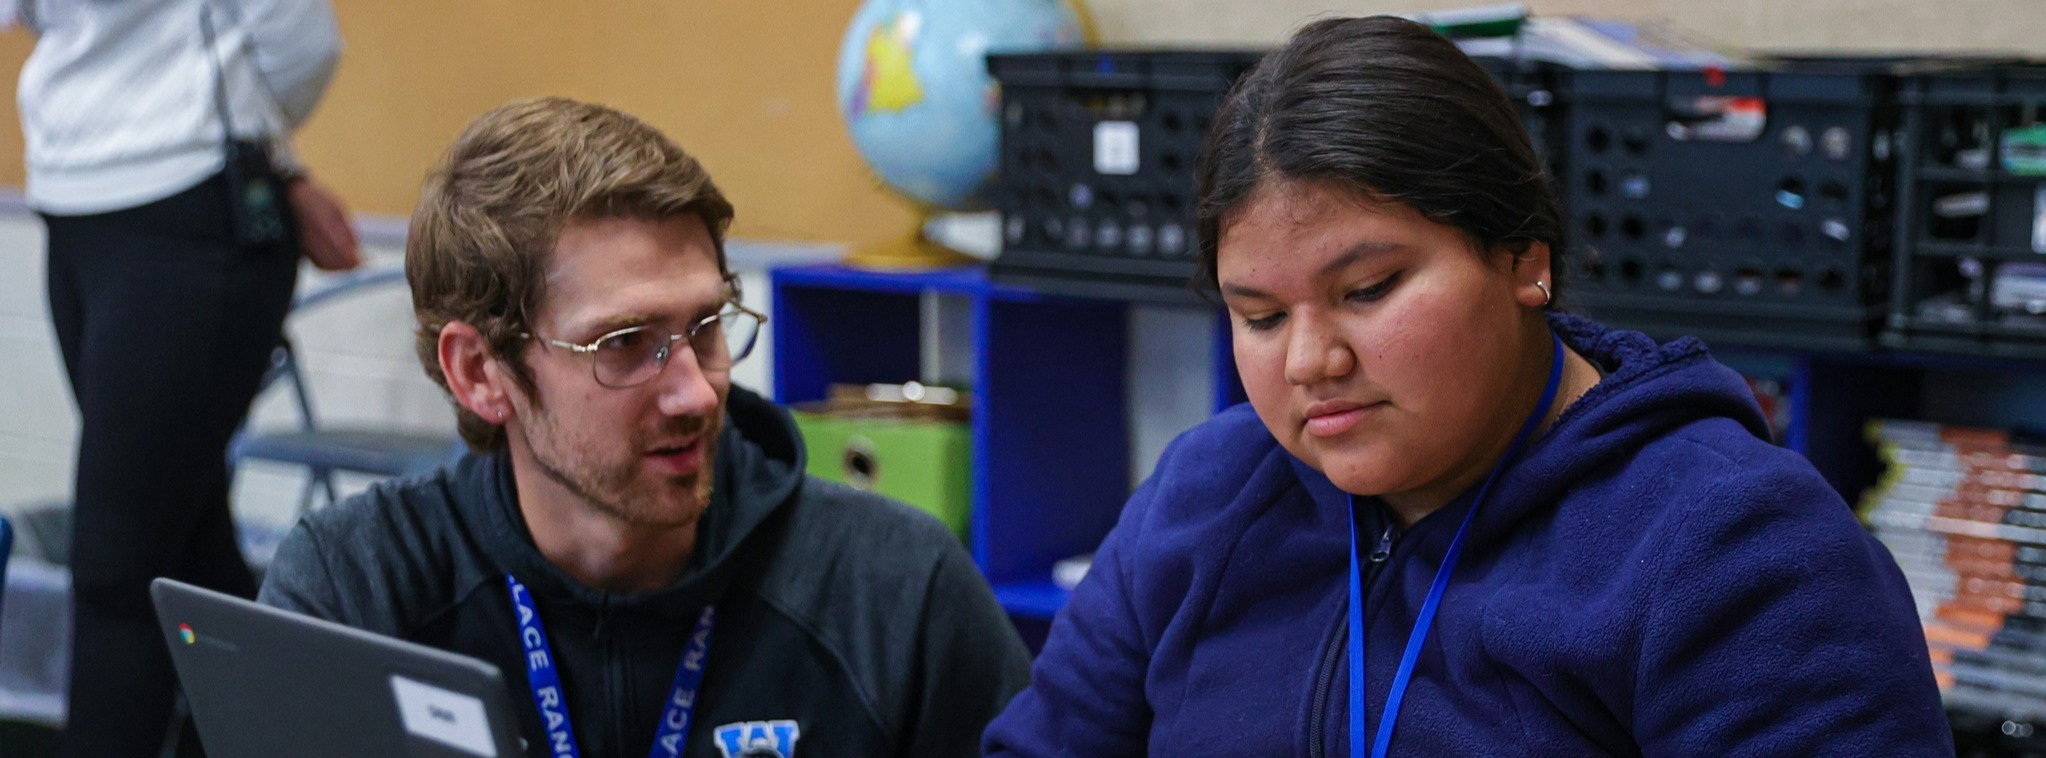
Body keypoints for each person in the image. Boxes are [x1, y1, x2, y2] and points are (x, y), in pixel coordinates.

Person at [984, 16, 1950, 757]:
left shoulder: (1736, 549)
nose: (1310, 361)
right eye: (1261, 317)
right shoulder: (1205, 496)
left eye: (1368, 291)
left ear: (1523, 261)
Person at [258, 97, 1032, 758]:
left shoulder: (894, 590)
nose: (695, 393)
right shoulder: (356, 588)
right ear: (480, 374)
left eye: (706, 327)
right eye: (623, 345)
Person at [9, 0, 357, 753]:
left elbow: (302, 43)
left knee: (116, 569)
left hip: (191, 217)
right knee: (188, 544)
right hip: (76, 206)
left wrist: (246, 140)